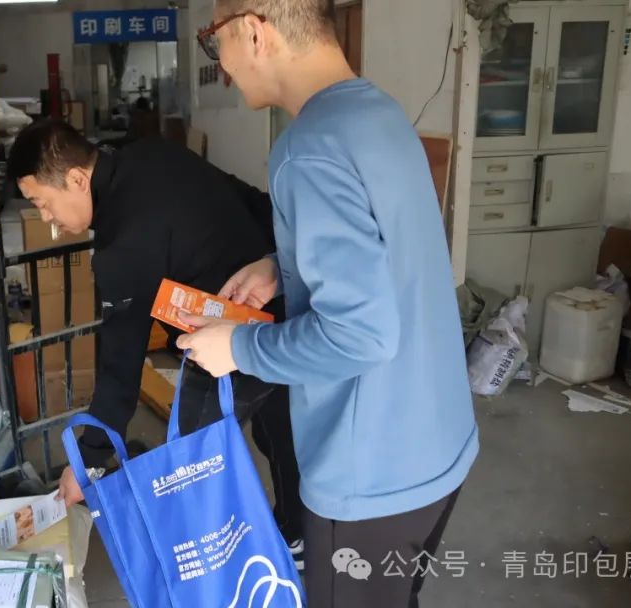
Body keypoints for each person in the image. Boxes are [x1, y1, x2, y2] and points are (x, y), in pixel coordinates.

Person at [177, 2, 479, 607]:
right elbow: (389, 253)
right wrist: (282, 266)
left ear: (255, 32)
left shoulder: (307, 149)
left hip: (371, 475)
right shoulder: (378, 112)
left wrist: (237, 347)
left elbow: (359, 335)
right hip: (437, 440)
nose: (222, 63)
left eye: (215, 40)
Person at [6, 119, 307, 566]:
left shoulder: (122, 244)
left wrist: (87, 460)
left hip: (226, 342)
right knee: (280, 431)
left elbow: (120, 365)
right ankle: (299, 536)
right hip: (282, 310)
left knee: (189, 465)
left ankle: (210, 568)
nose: (47, 218)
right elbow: (249, 199)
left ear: (77, 179)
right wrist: (281, 264)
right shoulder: (154, 153)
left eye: (43, 203)